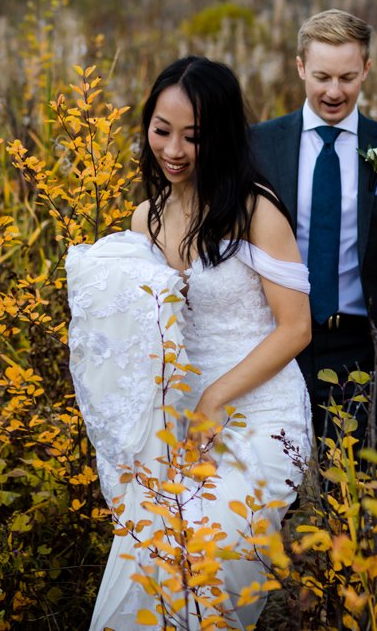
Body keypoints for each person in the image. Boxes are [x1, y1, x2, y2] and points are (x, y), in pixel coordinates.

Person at [67, 56, 313, 629]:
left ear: (222, 135)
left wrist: (214, 400)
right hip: (179, 415)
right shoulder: (144, 220)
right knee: (152, 548)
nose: (173, 149)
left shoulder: (256, 211)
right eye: (162, 130)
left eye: (193, 136)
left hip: (259, 408)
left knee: (212, 542)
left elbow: (296, 327)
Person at [250, 9, 377, 453]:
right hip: (273, 341)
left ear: (366, 70)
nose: (334, 92)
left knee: (353, 494)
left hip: (361, 347)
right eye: (321, 77)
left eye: (347, 77)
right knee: (273, 492)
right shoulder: (259, 145)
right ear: (300, 67)